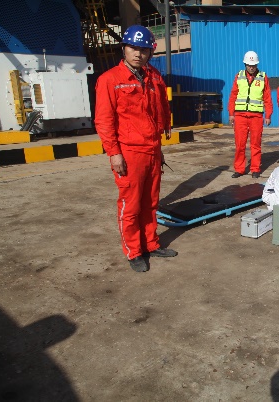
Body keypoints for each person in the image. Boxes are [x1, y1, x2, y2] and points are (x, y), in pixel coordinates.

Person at [95, 25, 177, 273]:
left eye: (143, 50)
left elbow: (159, 110)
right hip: (129, 152)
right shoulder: (110, 80)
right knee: (130, 205)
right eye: (133, 48)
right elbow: (104, 121)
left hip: (152, 149)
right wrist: (114, 153)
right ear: (124, 48)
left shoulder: (152, 77)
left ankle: (150, 244)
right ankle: (134, 251)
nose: (138, 54)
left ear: (150, 52)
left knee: (151, 202)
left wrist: (159, 145)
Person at [228, 50, 273, 179]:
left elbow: (267, 97)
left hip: (256, 116)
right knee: (240, 144)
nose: (251, 67)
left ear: (257, 65)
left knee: (256, 144)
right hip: (240, 116)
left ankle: (255, 169)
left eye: (253, 65)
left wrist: (268, 115)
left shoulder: (263, 77)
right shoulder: (239, 76)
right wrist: (231, 113)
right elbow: (233, 95)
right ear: (245, 64)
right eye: (249, 65)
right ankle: (239, 169)